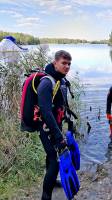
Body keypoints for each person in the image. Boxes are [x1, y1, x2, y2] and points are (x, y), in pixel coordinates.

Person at [37, 50, 72, 200]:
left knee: (51, 157)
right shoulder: (47, 82)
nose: (67, 66)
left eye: (69, 64)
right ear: (55, 63)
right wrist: (58, 135)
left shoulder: (60, 80)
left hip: (55, 126)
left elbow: (61, 105)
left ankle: (51, 182)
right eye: (64, 63)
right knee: (54, 161)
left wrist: (69, 122)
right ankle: (46, 196)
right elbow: (45, 111)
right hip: (46, 128)